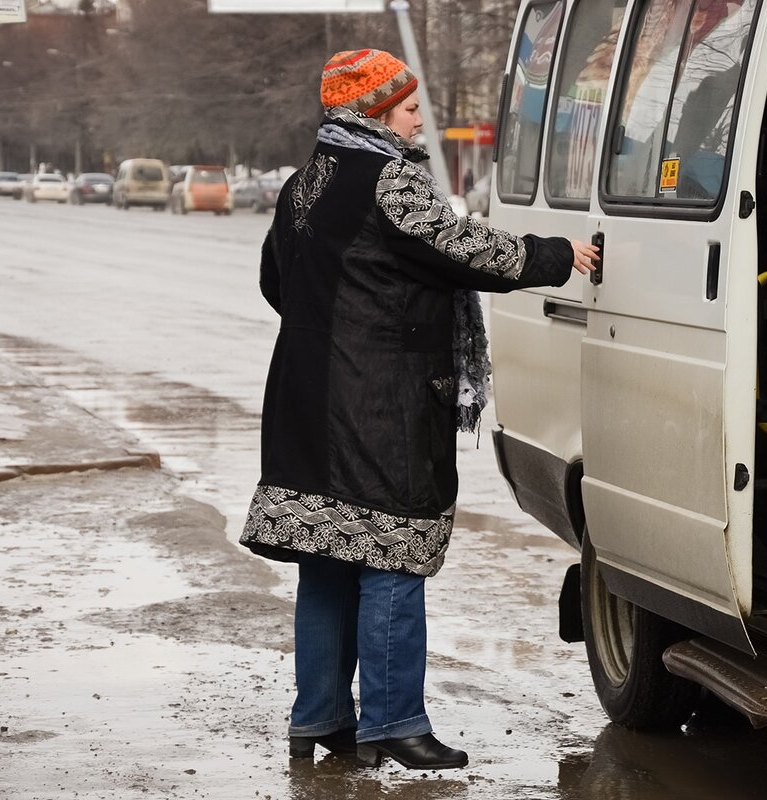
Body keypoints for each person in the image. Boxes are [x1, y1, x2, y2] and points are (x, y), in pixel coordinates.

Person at [238, 49, 599, 771]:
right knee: (393, 559)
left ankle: (320, 719)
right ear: (370, 108)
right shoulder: (390, 179)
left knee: (330, 561)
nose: (415, 118)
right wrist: (563, 254)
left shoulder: (304, 181)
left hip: (309, 398)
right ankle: (395, 722)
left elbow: (276, 280)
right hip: (379, 404)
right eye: (404, 106)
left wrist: (338, 331)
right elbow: (464, 250)